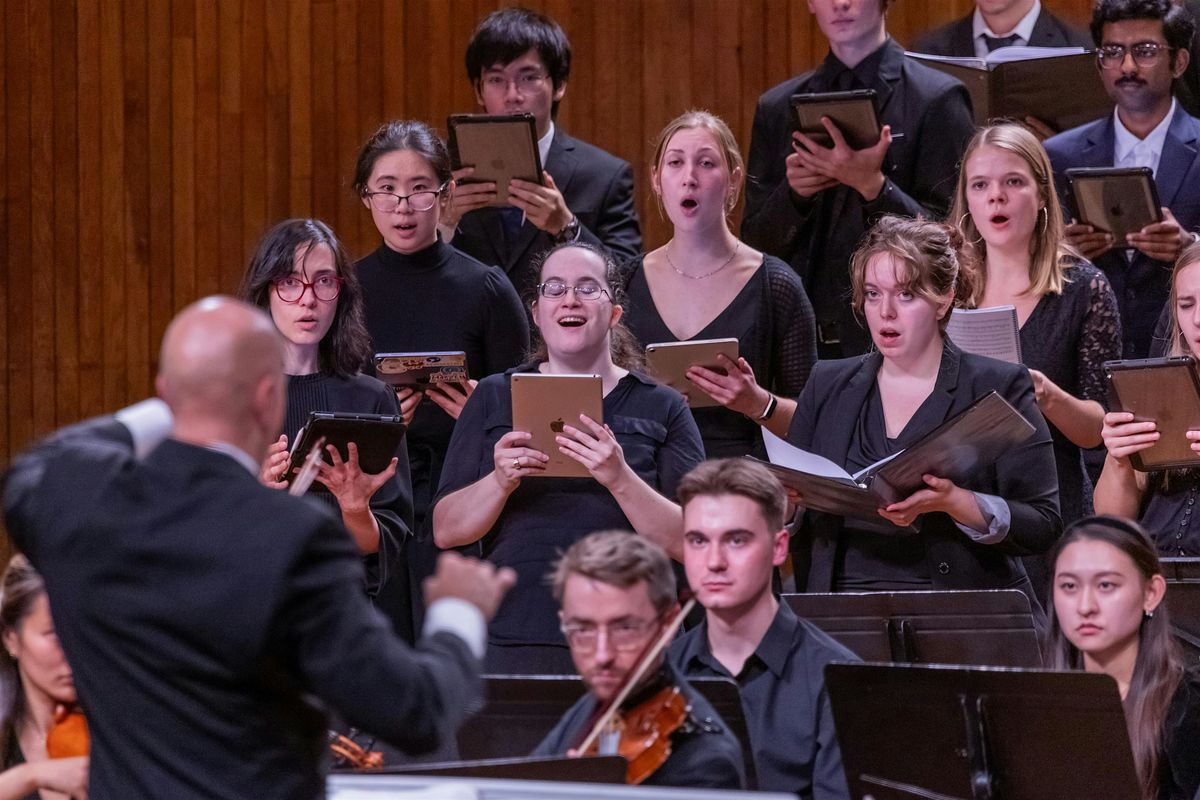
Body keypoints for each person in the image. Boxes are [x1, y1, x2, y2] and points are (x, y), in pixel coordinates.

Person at [2, 296, 516, 800]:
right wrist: (459, 611)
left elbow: (36, 466)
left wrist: (180, 400)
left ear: (164, 392)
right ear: (268, 397)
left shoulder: (78, 504)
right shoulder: (294, 536)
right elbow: (416, 715)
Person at [432, 242, 704, 673]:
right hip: (516, 630)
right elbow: (446, 530)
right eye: (554, 288)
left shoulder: (663, 406)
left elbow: (697, 543)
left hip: (629, 635)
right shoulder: (494, 395)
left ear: (614, 314)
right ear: (536, 313)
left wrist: (620, 478)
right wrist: (499, 481)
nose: (570, 299)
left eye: (587, 288)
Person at [786, 216, 1061, 613]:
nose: (886, 312)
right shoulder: (826, 384)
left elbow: (1043, 523)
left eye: (906, 295)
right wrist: (785, 504)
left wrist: (958, 503)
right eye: (873, 294)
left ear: (944, 298)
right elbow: (793, 505)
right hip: (843, 610)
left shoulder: (998, 385)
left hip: (959, 613)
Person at [353, 120, 530, 632]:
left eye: (419, 190)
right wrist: (380, 421)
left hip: (465, 489)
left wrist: (482, 412)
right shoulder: (347, 289)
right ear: (367, 198)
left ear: (446, 193)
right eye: (386, 190)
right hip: (377, 493)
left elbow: (524, 403)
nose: (403, 207)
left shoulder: (487, 288)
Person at [741, 0, 975, 358]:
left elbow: (956, 239)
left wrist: (874, 187)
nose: (841, 3)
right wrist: (796, 197)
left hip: (901, 336)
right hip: (798, 340)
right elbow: (754, 244)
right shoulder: (777, 107)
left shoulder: (937, 98)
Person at [239, 218, 415, 635]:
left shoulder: (371, 398)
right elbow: (198, 530)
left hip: (342, 617)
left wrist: (355, 509)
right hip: (253, 613)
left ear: (341, 293)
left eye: (323, 282)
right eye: (290, 282)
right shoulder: (233, 397)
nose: (308, 300)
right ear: (267, 292)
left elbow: (384, 546)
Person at [949, 123, 1122, 529]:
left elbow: (1099, 428)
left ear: (1043, 194)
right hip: (957, 502)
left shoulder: (1084, 288)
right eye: (980, 184)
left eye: (1013, 181)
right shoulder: (945, 288)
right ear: (967, 200)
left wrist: (1047, 396)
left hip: (1048, 505)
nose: (996, 195)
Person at [622, 110, 816, 459]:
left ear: (734, 180)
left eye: (707, 163)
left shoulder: (777, 285)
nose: (689, 177)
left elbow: (815, 422)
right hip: (643, 477)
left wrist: (758, 403)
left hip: (742, 479)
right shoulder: (624, 281)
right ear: (656, 179)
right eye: (675, 163)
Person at [669, 458, 857, 800]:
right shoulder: (656, 674)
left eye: (736, 540)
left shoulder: (838, 679)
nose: (714, 561)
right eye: (698, 541)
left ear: (778, 547)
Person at [440, 7, 641, 299]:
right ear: (479, 91)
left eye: (528, 78)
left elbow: (628, 281)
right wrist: (443, 226)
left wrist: (567, 227)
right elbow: (409, 274)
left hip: (562, 341)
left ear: (558, 85)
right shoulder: (443, 172)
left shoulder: (605, 175)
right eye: (496, 80)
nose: (512, 95)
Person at [1044, 0, 1200, 359]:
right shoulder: (1057, 154)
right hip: (1085, 356)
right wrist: (1062, 253)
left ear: (1179, 62)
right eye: (1113, 52)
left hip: (1184, 354)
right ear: (1099, 65)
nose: (1127, 66)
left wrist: (1190, 246)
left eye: (1145, 51)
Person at [531, 530, 744, 789]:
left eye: (625, 629)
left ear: (667, 624)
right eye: (583, 629)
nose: (602, 655)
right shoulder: (595, 706)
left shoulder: (707, 763)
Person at [1047, 515, 1200, 800]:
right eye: (1069, 586)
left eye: (1106, 585)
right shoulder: (1033, 702)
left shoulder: (1185, 709)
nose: (1085, 606)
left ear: (1150, 593)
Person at [1096, 241, 1200, 555]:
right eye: (1186, 304)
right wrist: (1119, 461)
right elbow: (1112, 523)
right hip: (1160, 575)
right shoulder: (1165, 387)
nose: (1197, 319)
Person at [0, 556, 88, 800]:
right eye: (56, 636)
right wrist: (30, 777)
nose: (73, 654)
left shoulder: (114, 728)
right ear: (11, 638)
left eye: (82, 636)